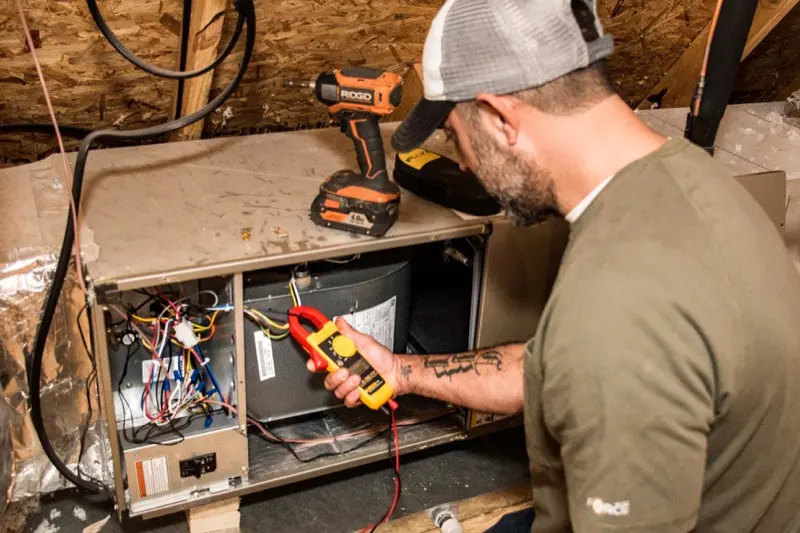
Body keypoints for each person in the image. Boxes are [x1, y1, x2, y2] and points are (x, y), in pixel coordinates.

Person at [308, 0, 800, 530]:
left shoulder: (616, 309)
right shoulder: (691, 184)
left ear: (500, 118)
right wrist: (401, 372)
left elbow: (603, 350)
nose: (465, 163)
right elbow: (553, 366)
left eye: (455, 137)